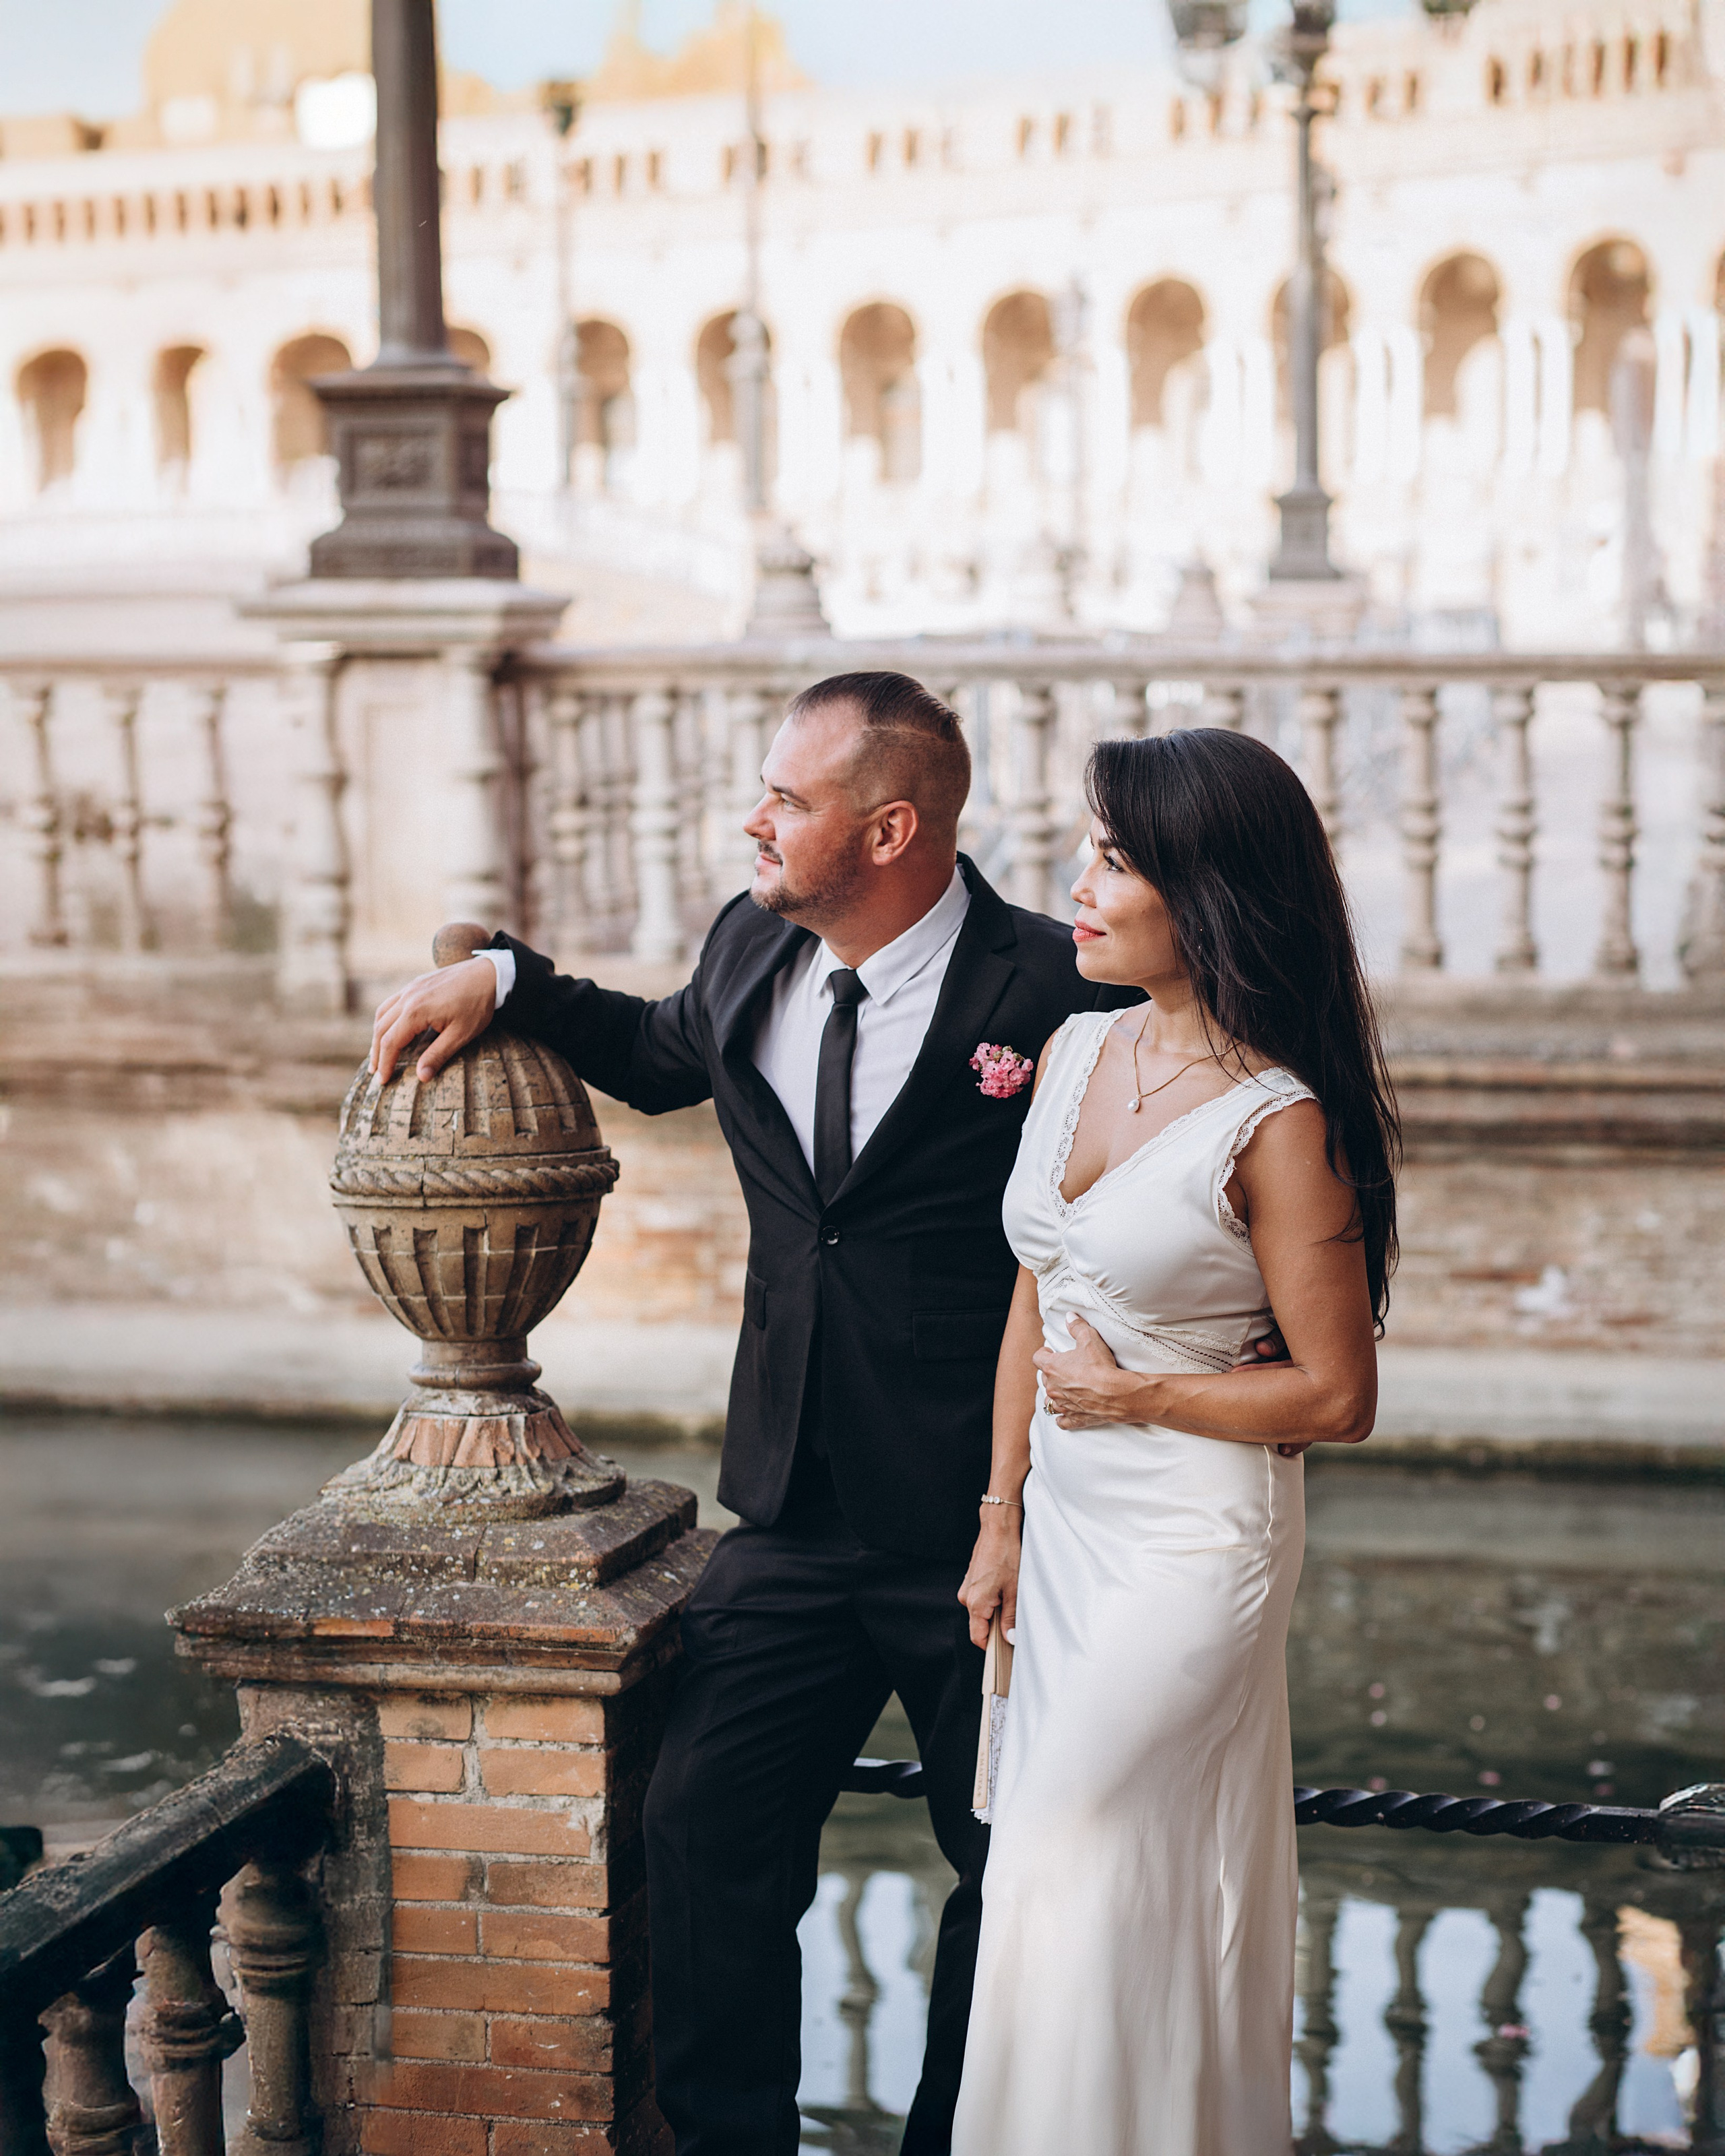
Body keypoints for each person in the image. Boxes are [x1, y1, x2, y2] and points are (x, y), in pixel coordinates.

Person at [367, 672, 1141, 2156]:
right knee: (702, 1830)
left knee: (1008, 1867)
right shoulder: (749, 944)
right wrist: (512, 983)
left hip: (998, 1526)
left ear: (890, 825)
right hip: (785, 1512)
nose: (753, 818)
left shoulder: (1057, 986)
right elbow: (665, 1051)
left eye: (788, 798)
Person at [951, 728, 1400, 2156]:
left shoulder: (1280, 1120)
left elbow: (1334, 1396)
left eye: (1114, 859)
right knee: (1053, 1871)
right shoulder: (1080, 1045)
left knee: (1076, 1844)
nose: (1076, 884)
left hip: (1191, 1544)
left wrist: (1136, 1398)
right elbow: (1039, 1289)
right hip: (1065, 1532)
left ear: (1205, 893)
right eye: (1088, 850)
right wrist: (999, 1514)